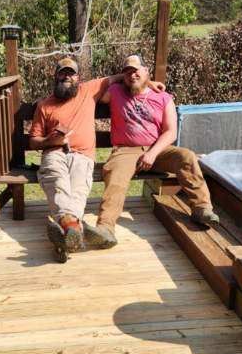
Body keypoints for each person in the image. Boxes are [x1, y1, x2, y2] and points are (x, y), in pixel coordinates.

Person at [28, 56, 163, 260]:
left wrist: (149, 83)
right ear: (55, 77)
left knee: (78, 191)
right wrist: (50, 140)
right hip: (54, 154)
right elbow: (33, 141)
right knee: (57, 183)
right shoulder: (45, 105)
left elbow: (120, 77)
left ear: (78, 78)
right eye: (62, 73)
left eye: (71, 74)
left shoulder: (88, 90)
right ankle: (72, 228)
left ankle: (66, 234)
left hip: (82, 156)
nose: (66, 77)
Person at [85, 55, 219, 248]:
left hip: (158, 149)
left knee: (186, 156)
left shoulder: (163, 98)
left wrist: (152, 153)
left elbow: (171, 132)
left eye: (136, 71)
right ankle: (105, 228)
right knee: (115, 175)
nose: (132, 75)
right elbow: (92, 90)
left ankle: (201, 209)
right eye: (127, 72)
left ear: (146, 71)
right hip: (125, 151)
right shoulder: (115, 91)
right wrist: (123, 78)